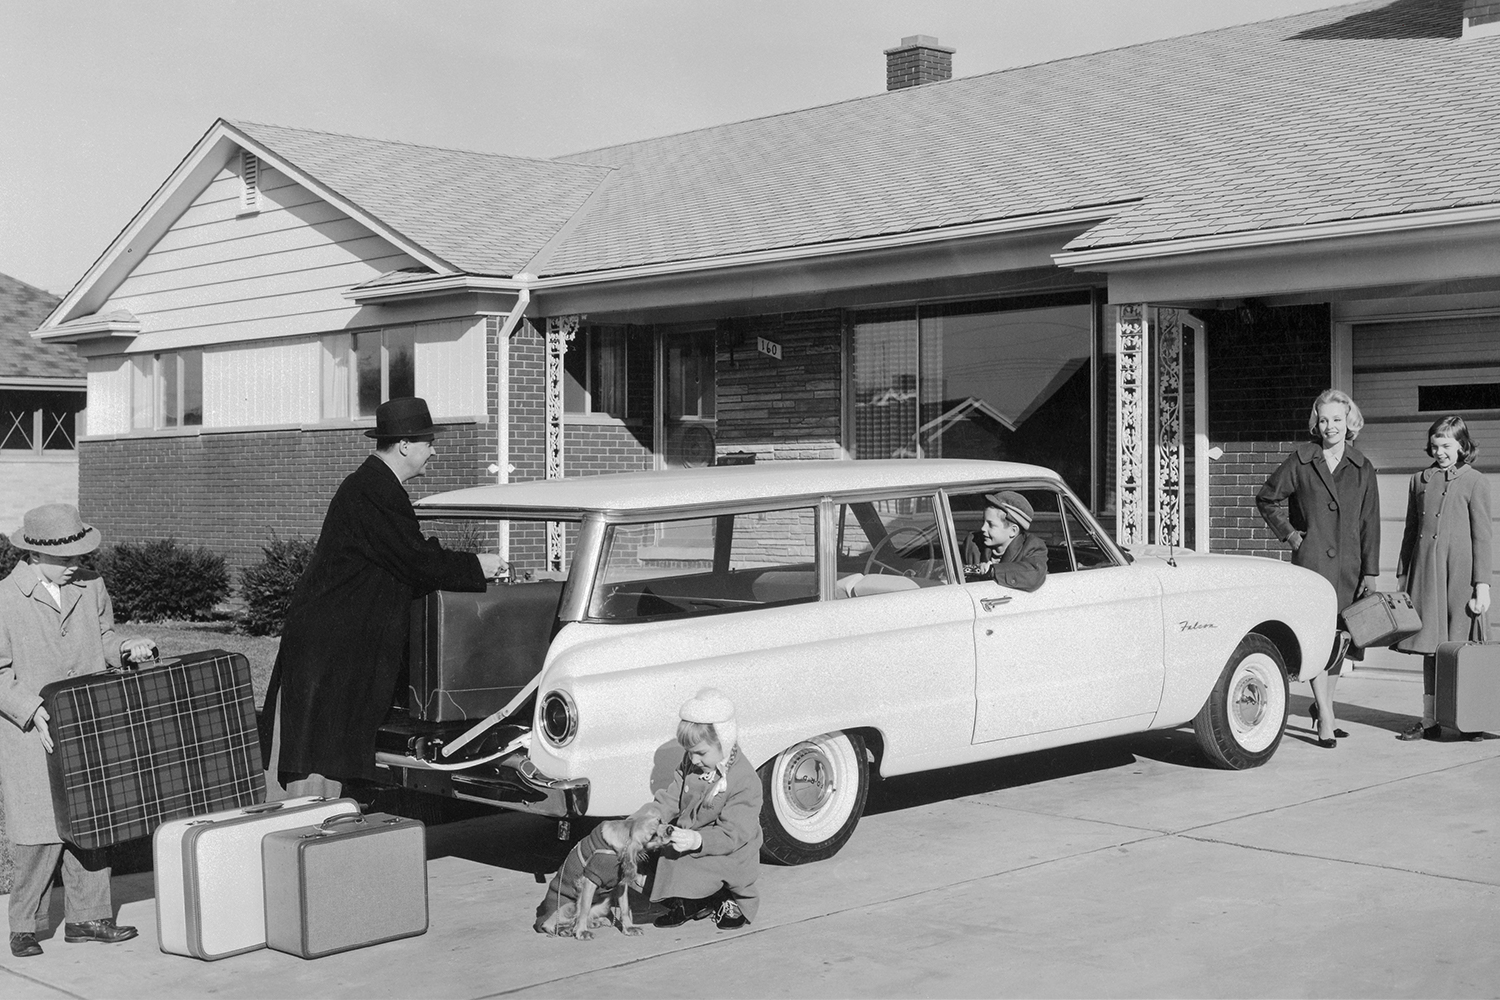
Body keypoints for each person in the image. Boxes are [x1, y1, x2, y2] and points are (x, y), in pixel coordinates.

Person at [259, 397, 505, 800]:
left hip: (332, 648)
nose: (434, 450)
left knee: (324, 752)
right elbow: (415, 559)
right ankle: (300, 844)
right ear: (405, 445)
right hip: (329, 652)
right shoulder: (375, 490)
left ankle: (312, 840)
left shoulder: (374, 486)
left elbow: (404, 553)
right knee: (316, 759)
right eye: (428, 442)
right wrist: (478, 565)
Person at [0, 504, 155, 957]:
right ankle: (24, 925)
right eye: (66, 558)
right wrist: (29, 709)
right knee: (37, 831)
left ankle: (89, 918)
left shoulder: (92, 587)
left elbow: (105, 638)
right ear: (33, 554)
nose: (76, 565)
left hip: (88, 723)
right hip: (31, 731)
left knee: (91, 822)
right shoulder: (5, 598)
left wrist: (126, 648)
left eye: (80, 556)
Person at [1256, 389, 1380, 748]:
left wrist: (1370, 571)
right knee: (1319, 638)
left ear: (1349, 422)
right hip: (1311, 567)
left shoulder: (1362, 466)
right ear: (1316, 422)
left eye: (1337, 420)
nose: (1330, 427)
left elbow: (1371, 522)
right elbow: (1267, 498)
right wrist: (1293, 537)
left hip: (1351, 567)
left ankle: (1326, 705)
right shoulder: (1302, 459)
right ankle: (1325, 715)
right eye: (1323, 420)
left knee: (1342, 640)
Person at [1394, 415, 1492, 741]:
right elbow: (1410, 532)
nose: (1440, 451)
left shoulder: (1475, 481)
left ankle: (1470, 717)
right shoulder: (1419, 480)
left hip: (1461, 579)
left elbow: (1483, 537)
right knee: (1432, 649)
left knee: (1462, 647)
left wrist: (1482, 585)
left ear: (1462, 446)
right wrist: (1402, 575)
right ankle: (1429, 719)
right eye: (1435, 445)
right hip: (1425, 574)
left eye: (1447, 445)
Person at [648, 688, 762, 931]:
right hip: (692, 836)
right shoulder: (693, 762)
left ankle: (723, 897)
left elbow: (732, 835)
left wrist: (696, 840)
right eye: (689, 753)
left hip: (727, 849)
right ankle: (692, 900)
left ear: (724, 742)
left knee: (685, 863)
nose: (694, 760)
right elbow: (672, 796)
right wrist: (649, 817)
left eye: (700, 753)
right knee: (652, 859)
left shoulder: (743, 780)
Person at [962, 491, 1048, 592]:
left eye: (990, 524)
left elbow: (1034, 573)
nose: (983, 528)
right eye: (983, 521)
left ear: (1013, 531)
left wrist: (992, 570)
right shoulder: (973, 543)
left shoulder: (1032, 546)